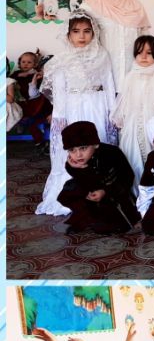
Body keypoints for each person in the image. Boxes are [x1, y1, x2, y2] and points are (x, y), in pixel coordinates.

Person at [36, 14, 117, 216]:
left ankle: (100, 190)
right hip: (73, 108)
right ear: (68, 34)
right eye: (76, 31)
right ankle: (74, 192)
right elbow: (60, 91)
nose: (82, 36)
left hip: (97, 106)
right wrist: (60, 119)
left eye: (87, 31)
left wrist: (112, 112)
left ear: (94, 33)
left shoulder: (102, 55)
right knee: (75, 148)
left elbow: (109, 84)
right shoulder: (62, 59)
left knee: (98, 143)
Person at [54, 120, 139, 234]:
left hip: (114, 194)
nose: (78, 155)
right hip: (92, 194)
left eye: (83, 148)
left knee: (108, 227)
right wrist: (79, 169)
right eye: (72, 150)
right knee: (69, 191)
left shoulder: (112, 153)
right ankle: (86, 216)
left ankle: (100, 218)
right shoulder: (73, 163)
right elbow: (84, 182)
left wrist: (105, 192)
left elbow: (127, 178)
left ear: (95, 144)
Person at [83, 0, 150, 88]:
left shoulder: (135, 6)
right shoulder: (90, 7)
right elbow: (79, 42)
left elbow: (146, 41)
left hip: (133, 78)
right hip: (103, 79)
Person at [111, 34, 154, 179]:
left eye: (149, 53)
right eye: (139, 52)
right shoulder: (131, 75)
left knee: (153, 152)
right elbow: (124, 98)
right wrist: (120, 117)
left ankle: (153, 185)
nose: (143, 56)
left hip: (153, 120)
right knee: (132, 153)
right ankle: (135, 186)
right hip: (133, 122)